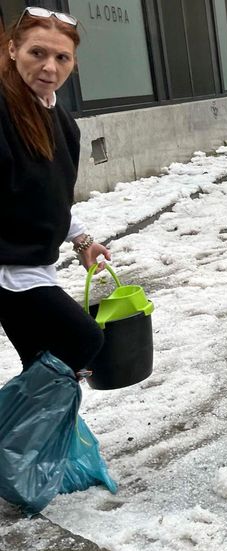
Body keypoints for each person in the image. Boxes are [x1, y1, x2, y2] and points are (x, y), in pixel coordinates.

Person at [0, 7, 112, 378]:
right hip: (10, 271)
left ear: (73, 63)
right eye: (37, 53)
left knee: (43, 360)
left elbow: (48, 195)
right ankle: (25, 429)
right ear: (13, 49)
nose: (49, 67)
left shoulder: (57, 117)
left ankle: (41, 432)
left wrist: (80, 240)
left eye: (61, 57)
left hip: (31, 263)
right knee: (82, 341)